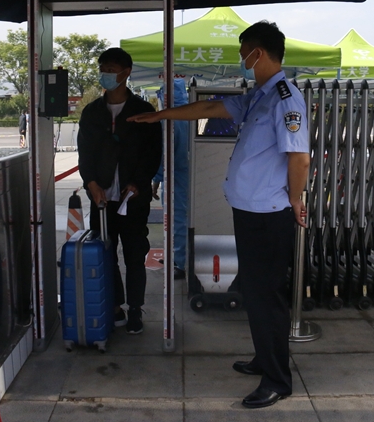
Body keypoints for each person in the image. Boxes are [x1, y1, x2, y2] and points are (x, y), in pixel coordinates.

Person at [129, 21, 310, 409]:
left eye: (243, 52)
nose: (240, 59)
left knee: (267, 297)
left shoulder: (285, 99)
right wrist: (161, 116)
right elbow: (209, 107)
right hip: (250, 212)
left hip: (268, 215)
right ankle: (264, 358)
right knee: (255, 294)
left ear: (258, 53)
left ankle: (277, 380)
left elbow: (300, 157)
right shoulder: (259, 95)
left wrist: (296, 199)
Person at [77, 47, 162, 335]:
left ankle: (135, 308)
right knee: (105, 253)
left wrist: (138, 182)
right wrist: (91, 183)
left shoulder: (143, 111)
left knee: (135, 255)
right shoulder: (92, 112)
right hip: (101, 200)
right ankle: (114, 306)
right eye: (103, 70)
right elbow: (85, 153)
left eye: (112, 70)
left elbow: (153, 154)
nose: (106, 75)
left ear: (126, 73)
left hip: (133, 200)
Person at [151, 78, 190, 280]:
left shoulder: (169, 121)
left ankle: (180, 263)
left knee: (177, 220)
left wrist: (156, 180)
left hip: (175, 178)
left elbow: (164, 156)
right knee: (182, 219)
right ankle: (176, 257)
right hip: (187, 177)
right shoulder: (191, 116)